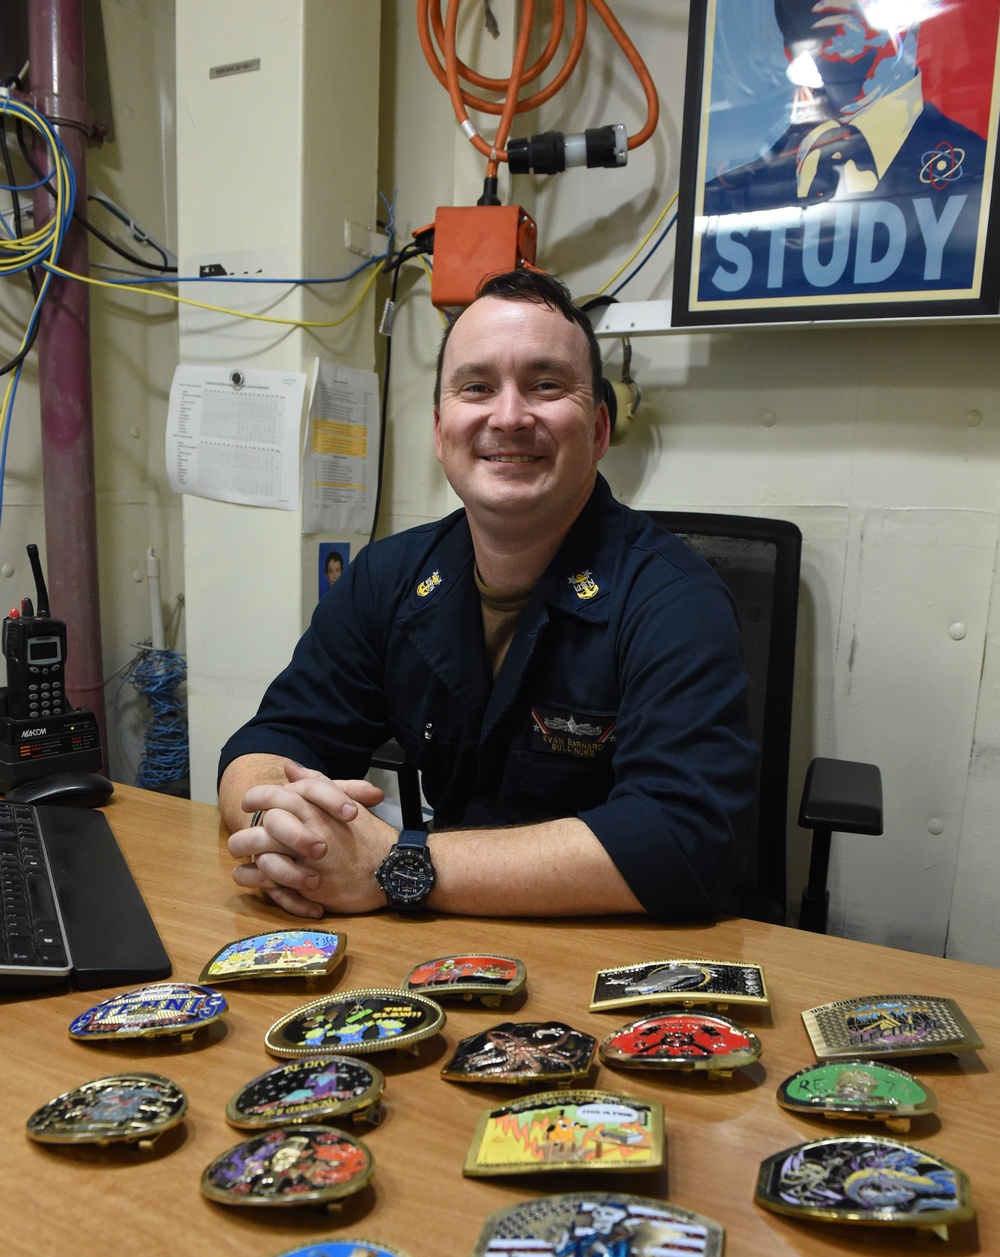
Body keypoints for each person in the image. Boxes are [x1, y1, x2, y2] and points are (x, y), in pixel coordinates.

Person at [218, 270, 755, 920]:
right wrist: (293, 829)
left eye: (546, 385)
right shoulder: (388, 576)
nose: (508, 416)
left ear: (598, 431)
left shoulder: (674, 599)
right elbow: (276, 736)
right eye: (477, 387)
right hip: (436, 943)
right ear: (441, 433)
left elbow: (681, 838)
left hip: (613, 954)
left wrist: (394, 864)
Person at [700, 0, 986, 300]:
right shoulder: (766, 171)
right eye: (836, 40)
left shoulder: (976, 169)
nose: (847, 48)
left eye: (857, 33)